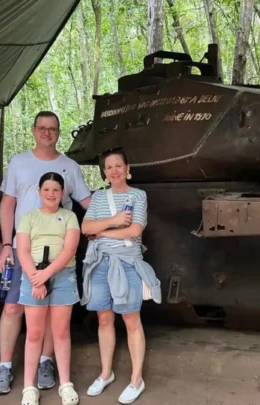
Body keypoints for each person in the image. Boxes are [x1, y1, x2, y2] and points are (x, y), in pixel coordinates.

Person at [0, 111, 91, 395]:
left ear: (59, 132)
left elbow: (86, 200)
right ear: (33, 130)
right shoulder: (19, 162)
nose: (47, 133)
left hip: (58, 256)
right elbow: (7, 204)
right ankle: (4, 366)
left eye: (53, 129)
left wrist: (113, 209)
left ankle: (46, 362)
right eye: (42, 128)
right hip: (22, 249)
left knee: (52, 313)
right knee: (13, 307)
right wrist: (6, 244)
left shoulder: (70, 166)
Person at [81, 148, 161, 405]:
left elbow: (134, 230)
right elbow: (85, 227)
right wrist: (115, 220)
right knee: (104, 319)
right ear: (105, 173)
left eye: (118, 165)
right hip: (100, 265)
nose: (114, 170)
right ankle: (106, 373)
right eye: (109, 167)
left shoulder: (138, 195)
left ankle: (136, 379)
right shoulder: (98, 197)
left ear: (127, 168)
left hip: (126, 263)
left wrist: (102, 232)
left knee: (131, 320)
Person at [17, 172, 81, 405]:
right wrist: (36, 278)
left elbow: (69, 250)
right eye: (46, 189)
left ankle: (65, 383)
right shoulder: (29, 217)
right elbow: (22, 250)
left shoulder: (70, 217)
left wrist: (46, 274)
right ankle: (29, 387)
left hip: (62, 276)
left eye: (55, 190)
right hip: (33, 275)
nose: (51, 194)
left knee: (61, 331)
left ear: (62, 192)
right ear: (39, 192)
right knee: (34, 333)